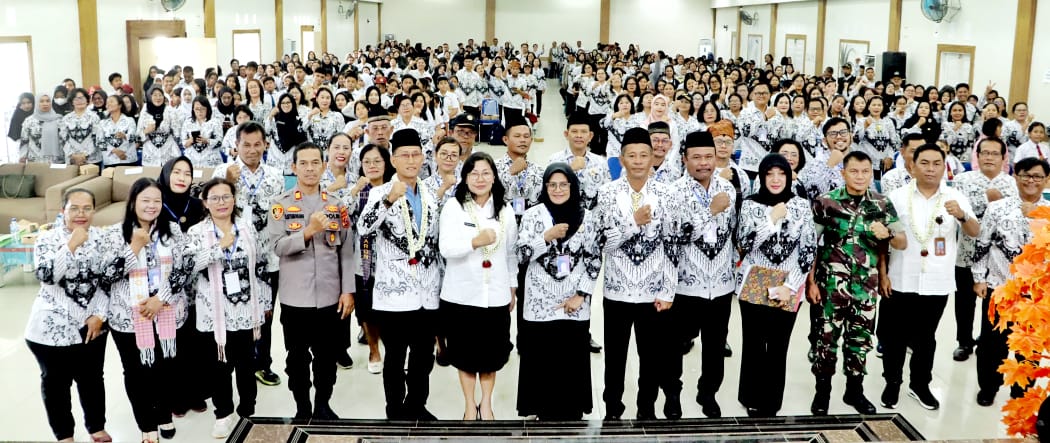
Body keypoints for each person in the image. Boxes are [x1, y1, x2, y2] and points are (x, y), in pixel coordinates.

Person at [881, 143, 980, 411]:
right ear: (912, 166)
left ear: (944, 166)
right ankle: (892, 382)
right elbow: (882, 238)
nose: (931, 169)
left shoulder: (955, 197)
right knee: (894, 337)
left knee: (926, 337)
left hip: (937, 280)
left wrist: (961, 216)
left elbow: (974, 231)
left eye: (937, 163)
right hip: (900, 277)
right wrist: (882, 274)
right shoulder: (897, 197)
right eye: (924, 163)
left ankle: (920, 384)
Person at [808, 151, 906, 416]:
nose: (860, 177)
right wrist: (811, 283)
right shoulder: (826, 203)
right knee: (825, 339)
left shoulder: (881, 203)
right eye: (854, 171)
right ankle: (822, 391)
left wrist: (888, 235)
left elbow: (900, 242)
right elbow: (811, 247)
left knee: (860, 340)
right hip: (830, 285)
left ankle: (854, 391)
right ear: (844, 173)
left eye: (865, 171)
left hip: (866, 286)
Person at [266, 142, 357, 419]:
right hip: (296, 298)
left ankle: (323, 404)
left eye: (315, 163)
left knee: (327, 357)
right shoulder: (281, 205)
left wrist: (348, 291)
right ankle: (302, 406)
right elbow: (277, 247)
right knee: (296, 358)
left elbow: (347, 250)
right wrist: (308, 232)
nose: (309, 168)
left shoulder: (336, 205)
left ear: (324, 166)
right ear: (293, 168)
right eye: (303, 163)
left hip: (330, 297)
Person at [595, 127, 679, 420]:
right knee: (615, 357)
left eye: (644, 155)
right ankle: (612, 409)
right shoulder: (607, 193)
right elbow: (603, 243)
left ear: (653, 157)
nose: (639, 161)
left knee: (651, 357)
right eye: (632, 155)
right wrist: (633, 222)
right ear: (622, 158)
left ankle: (647, 409)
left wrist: (668, 291)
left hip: (653, 291)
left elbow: (672, 244)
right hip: (616, 290)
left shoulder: (666, 193)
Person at [358, 129, 442, 420]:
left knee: (423, 356)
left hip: (427, 292)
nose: (410, 160)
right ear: (393, 160)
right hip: (394, 294)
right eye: (404, 155)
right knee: (395, 357)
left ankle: (417, 405)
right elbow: (362, 228)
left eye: (415, 154)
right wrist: (388, 201)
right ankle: (394, 409)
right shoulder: (380, 192)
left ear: (422, 158)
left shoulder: (430, 193)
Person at [104, 178, 193, 443]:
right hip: (128, 318)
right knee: (137, 372)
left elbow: (185, 267)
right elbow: (107, 274)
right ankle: (146, 424)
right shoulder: (113, 233)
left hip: (167, 312)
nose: (151, 206)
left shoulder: (173, 231)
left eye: (157, 200)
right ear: (133, 202)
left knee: (166, 369)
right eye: (145, 200)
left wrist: (161, 299)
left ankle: (164, 414)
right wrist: (135, 247)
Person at [185, 178, 271, 438]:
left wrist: (265, 302)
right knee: (219, 366)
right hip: (214, 312)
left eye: (226, 197)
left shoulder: (246, 227)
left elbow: (261, 265)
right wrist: (217, 248)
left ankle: (247, 410)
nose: (221, 203)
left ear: (234, 199)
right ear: (205, 202)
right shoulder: (196, 232)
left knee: (247, 365)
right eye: (215, 198)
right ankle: (223, 413)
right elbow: (189, 266)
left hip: (246, 310)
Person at [515, 162, 600, 420]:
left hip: (573, 301)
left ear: (573, 187)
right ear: (545, 187)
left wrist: (581, 295)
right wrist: (545, 237)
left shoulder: (587, 217)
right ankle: (540, 407)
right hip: (539, 301)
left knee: (571, 358)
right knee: (541, 357)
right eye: (552, 184)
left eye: (564, 184)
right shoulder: (532, 215)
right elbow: (520, 254)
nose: (558, 189)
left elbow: (594, 259)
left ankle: (572, 408)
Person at [26, 188, 113, 443]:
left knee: (92, 380)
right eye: (74, 208)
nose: (80, 213)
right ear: (62, 211)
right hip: (51, 327)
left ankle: (96, 427)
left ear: (94, 211)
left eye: (87, 208)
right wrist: (70, 245)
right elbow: (46, 276)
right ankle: (64, 435)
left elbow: (108, 282)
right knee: (56, 385)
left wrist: (99, 315)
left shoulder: (103, 238)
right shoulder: (47, 239)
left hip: (92, 325)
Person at [736, 154, 817, 417]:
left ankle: (772, 399)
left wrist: (791, 286)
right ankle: (750, 395)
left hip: (788, 284)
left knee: (779, 344)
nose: (775, 179)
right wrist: (770, 220)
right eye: (769, 174)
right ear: (761, 176)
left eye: (781, 174)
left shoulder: (802, 206)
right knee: (754, 343)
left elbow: (808, 250)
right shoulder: (750, 205)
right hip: (754, 282)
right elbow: (744, 244)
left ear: (789, 176)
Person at [439, 151, 518, 421]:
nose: (480, 179)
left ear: (494, 177)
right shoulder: (454, 207)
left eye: (486, 173)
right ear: (465, 177)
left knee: (491, 356)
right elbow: (446, 248)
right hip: (461, 294)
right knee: (464, 355)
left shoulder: (505, 210)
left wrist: (512, 286)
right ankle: (469, 405)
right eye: (474, 173)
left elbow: (510, 253)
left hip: (494, 294)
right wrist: (475, 242)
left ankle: (486, 403)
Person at [213, 121, 287, 387]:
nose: (253, 150)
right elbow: (208, 207)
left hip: (270, 256)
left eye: (258, 144)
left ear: (266, 144)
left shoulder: (276, 174)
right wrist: (227, 183)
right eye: (246, 145)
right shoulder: (223, 171)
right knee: (237, 309)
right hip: (235, 258)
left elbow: (282, 212)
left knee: (266, 311)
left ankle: (262, 364)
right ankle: (236, 364)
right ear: (236, 145)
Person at [972, 157, 1050, 406]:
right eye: (1025, 175)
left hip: (1037, 296)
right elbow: (982, 244)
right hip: (1000, 287)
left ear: (1046, 181)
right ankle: (988, 387)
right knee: (991, 344)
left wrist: (1038, 217)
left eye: (1037, 176)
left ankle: (1021, 390)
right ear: (1015, 177)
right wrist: (978, 278)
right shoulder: (997, 208)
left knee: (1029, 346)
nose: (1031, 181)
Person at [669, 131, 735, 418]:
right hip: (684, 285)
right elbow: (675, 236)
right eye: (696, 157)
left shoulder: (728, 189)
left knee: (715, 346)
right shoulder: (673, 192)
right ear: (685, 159)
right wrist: (710, 211)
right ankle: (672, 394)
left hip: (720, 285)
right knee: (674, 346)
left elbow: (733, 234)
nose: (704, 163)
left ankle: (708, 392)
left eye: (708, 157)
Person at [950, 137, 1017, 362]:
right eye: (984, 153)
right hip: (967, 252)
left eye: (994, 153)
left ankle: (986, 342)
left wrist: (998, 203)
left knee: (993, 304)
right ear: (977, 156)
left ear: (1002, 158)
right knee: (965, 301)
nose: (989, 157)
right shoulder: (961, 181)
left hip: (999, 259)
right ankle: (964, 342)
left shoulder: (1012, 184)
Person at [347, 143, 395, 375]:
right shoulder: (357, 190)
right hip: (362, 258)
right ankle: (374, 349)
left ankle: (393, 347)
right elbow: (340, 213)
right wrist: (355, 190)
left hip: (390, 259)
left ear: (386, 163)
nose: (372, 166)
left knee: (390, 307)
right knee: (366, 309)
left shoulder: (394, 189)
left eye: (377, 161)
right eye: (367, 162)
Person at [547, 113, 611, 209]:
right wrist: (569, 170)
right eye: (574, 131)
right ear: (566, 134)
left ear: (590, 136)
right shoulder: (554, 161)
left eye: (584, 132)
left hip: (593, 219)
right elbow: (548, 191)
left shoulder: (601, 162)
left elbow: (607, 194)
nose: (579, 136)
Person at [139, 87, 181, 167]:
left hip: (168, 150)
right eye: (155, 95)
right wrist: (146, 131)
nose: (158, 98)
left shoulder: (170, 110)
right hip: (150, 152)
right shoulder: (144, 112)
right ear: (149, 97)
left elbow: (177, 133)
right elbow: (137, 136)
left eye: (160, 95)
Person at [267, 94, 308, 175]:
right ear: (279, 104)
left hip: (291, 159)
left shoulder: (298, 120)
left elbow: (302, 140)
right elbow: (267, 130)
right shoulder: (274, 119)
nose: (286, 105)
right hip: (275, 159)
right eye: (283, 103)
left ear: (293, 104)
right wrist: (271, 115)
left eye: (288, 102)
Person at [20, 94, 64, 163]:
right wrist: (22, 157)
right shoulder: (29, 121)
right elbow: (24, 141)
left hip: (55, 160)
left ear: (51, 103)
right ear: (37, 103)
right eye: (41, 101)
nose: (45, 104)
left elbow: (64, 140)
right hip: (35, 160)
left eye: (47, 101)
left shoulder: (58, 120)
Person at [181, 96, 223, 168]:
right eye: (197, 109)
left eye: (202, 109)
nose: (199, 112)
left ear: (207, 109)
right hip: (192, 158)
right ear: (193, 109)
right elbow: (183, 143)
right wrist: (190, 140)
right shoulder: (187, 122)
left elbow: (220, 142)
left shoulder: (215, 122)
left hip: (210, 158)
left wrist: (207, 141)